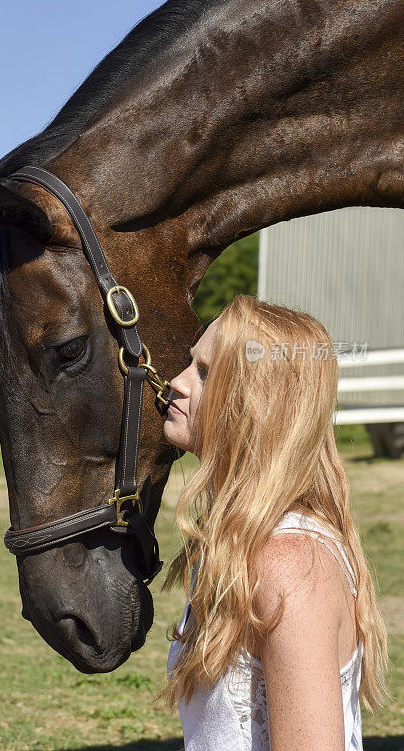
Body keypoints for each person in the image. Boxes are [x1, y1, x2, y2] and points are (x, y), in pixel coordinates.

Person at [160, 294, 389, 751]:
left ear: (252, 404)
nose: (177, 383)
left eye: (205, 373)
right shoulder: (248, 542)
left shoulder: (288, 563)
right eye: (190, 364)